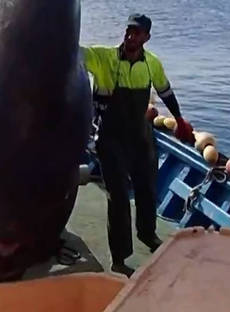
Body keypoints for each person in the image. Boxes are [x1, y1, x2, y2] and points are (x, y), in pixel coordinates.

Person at [82, 14, 194, 277]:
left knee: (147, 189)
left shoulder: (151, 63)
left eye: (138, 33)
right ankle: (119, 257)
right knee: (118, 197)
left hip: (139, 135)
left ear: (147, 38)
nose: (132, 37)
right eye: (129, 31)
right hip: (110, 137)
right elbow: (72, 53)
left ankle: (147, 233)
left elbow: (165, 91)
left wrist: (179, 119)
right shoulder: (103, 57)